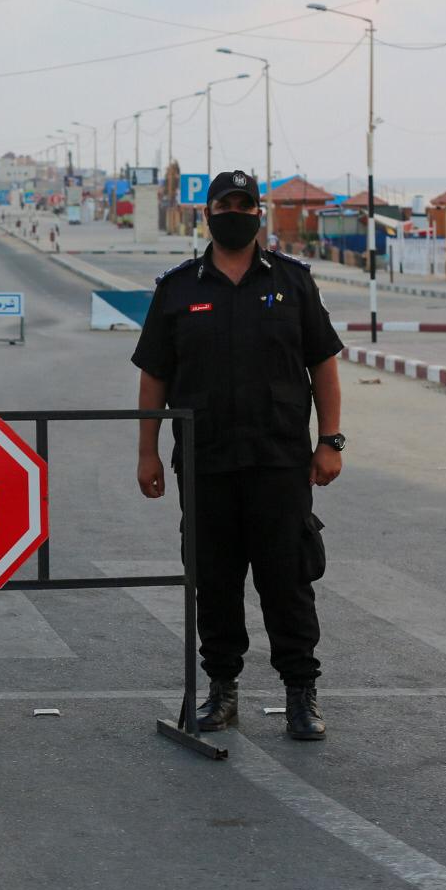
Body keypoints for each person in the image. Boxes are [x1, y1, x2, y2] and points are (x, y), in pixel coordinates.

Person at [132, 169, 345, 742]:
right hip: (206, 465)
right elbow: (154, 374)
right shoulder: (178, 289)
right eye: (224, 204)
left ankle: (302, 694)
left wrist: (331, 440)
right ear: (207, 214)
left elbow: (323, 363)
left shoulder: (293, 284)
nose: (235, 212)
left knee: (288, 581)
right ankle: (221, 690)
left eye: (244, 204)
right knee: (215, 583)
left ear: (258, 214)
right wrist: (147, 453)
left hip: (279, 465)